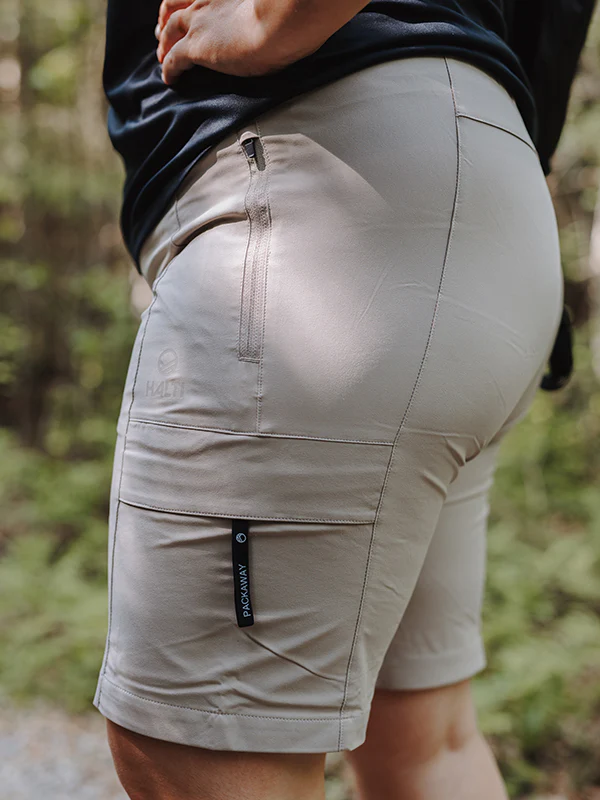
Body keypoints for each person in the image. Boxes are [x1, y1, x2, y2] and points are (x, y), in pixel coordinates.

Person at [93, 1, 597, 798]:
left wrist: (275, 18)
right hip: (486, 207)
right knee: (423, 746)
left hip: (317, 192)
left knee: (196, 746)